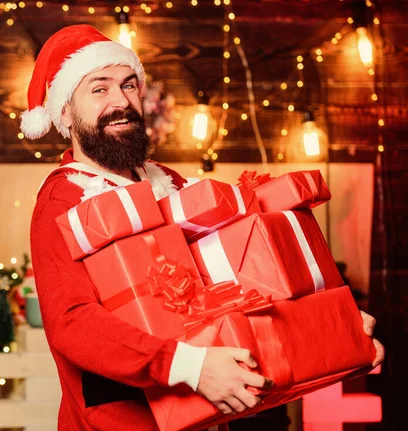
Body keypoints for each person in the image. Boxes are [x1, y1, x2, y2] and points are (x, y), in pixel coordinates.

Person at [24, 24, 384, 431]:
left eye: (128, 86)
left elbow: (240, 281)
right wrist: (189, 366)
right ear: (65, 113)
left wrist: (335, 325)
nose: (120, 102)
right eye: (99, 89)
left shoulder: (168, 183)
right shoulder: (63, 199)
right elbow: (72, 324)